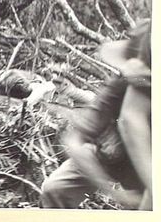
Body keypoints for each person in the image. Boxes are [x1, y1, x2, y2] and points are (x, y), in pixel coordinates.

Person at [40, 20, 151, 210]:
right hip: (111, 156)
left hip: (146, 164)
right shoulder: (117, 89)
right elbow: (74, 141)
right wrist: (111, 191)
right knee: (54, 188)